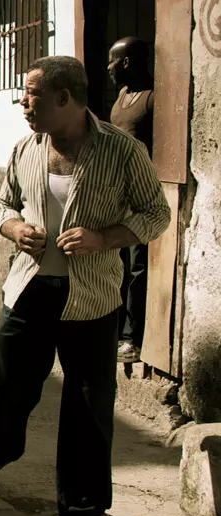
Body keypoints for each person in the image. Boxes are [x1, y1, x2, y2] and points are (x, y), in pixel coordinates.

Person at [0, 56, 170, 516]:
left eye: (32, 95)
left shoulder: (122, 151)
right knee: (7, 381)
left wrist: (104, 238)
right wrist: (15, 228)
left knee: (88, 405)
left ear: (65, 98)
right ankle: (0, 452)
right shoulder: (26, 149)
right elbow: (2, 204)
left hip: (92, 299)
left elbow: (156, 214)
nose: (23, 103)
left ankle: (87, 510)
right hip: (29, 290)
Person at [107, 37, 155, 363]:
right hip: (116, 196)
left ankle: (131, 338)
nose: (107, 69)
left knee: (138, 267)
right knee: (116, 265)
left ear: (126, 62)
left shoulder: (151, 100)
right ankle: (112, 329)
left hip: (140, 198)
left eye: (111, 61)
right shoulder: (122, 97)